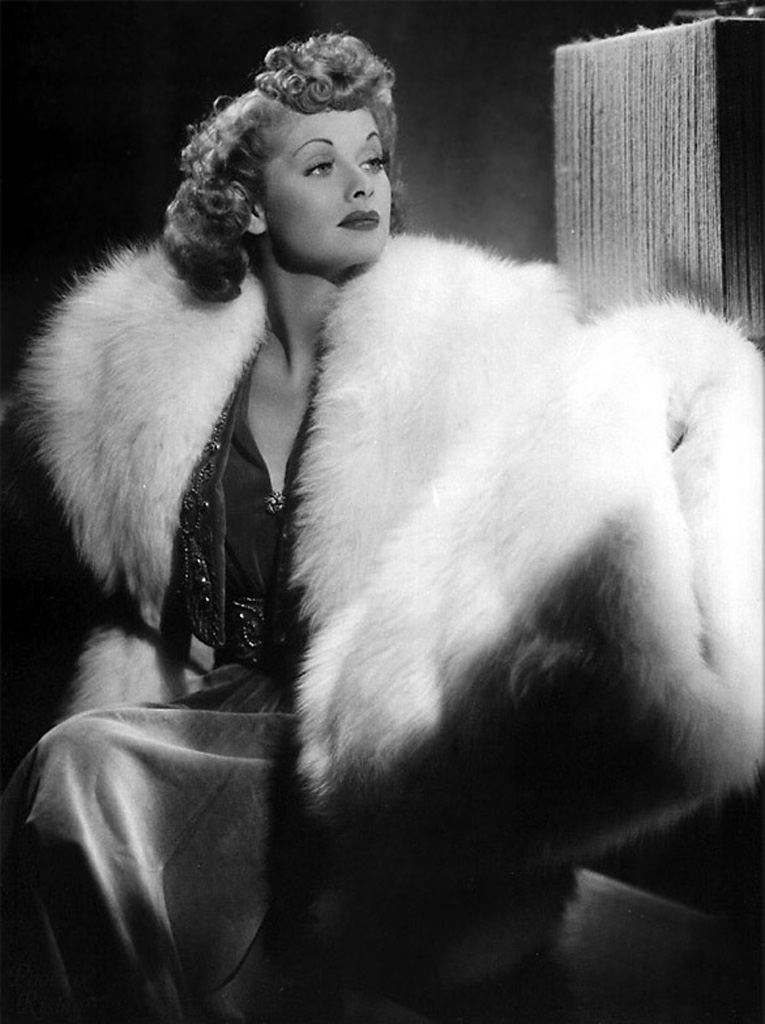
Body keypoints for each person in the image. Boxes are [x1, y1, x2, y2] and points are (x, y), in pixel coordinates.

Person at [1, 30, 762, 1024]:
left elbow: (532, 545)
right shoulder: (148, 363)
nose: (361, 182)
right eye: (321, 165)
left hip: (354, 772)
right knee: (85, 769)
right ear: (250, 201)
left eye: (371, 158)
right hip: (186, 733)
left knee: (83, 764)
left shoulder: (482, 332)